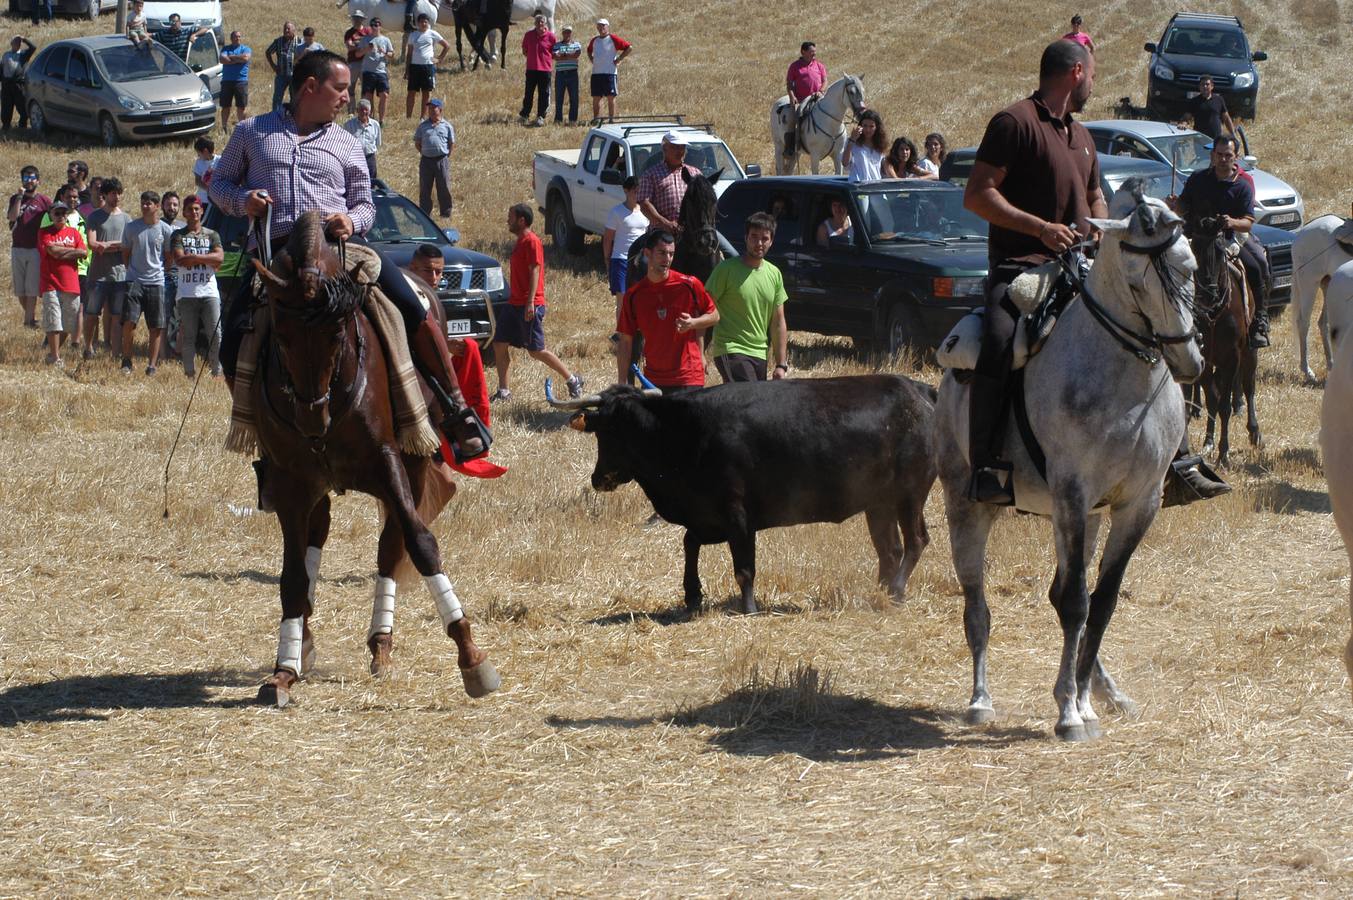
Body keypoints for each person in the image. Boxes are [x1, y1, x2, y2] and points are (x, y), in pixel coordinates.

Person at [209, 50, 487, 459]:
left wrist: (351, 221)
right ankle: (265, 438)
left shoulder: (348, 142)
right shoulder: (251, 132)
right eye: (340, 88)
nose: (346, 97)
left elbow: (366, 204)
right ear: (309, 87)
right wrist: (242, 200)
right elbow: (219, 185)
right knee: (231, 342)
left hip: (341, 249)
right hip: (278, 252)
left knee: (413, 308)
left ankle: (456, 411)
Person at [1170, 134, 1269, 348]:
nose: (1223, 159)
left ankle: (1259, 321)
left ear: (1236, 157)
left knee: (1256, 264)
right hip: (1195, 238)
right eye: (1219, 154)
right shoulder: (1198, 179)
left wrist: (1231, 222)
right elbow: (1182, 207)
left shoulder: (1242, 184)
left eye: (1228, 155)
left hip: (1228, 240)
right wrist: (1173, 204)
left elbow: (1248, 222)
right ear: (1213, 155)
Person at [492, 203, 583, 401]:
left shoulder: (531, 241)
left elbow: (536, 270)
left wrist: (531, 301)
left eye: (511, 216)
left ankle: (572, 379)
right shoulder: (520, 242)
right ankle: (504, 391)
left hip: (528, 304)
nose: (508, 220)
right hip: (513, 303)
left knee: (536, 351)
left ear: (521, 220)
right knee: (499, 343)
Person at [615, 231, 718, 391]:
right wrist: (622, 381)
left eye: (671, 254)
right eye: (662, 253)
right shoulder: (634, 295)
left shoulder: (689, 285)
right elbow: (625, 342)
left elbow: (714, 315)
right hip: (653, 379)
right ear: (647, 253)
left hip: (688, 377)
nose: (667, 259)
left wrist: (693, 323)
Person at [406, 242, 491, 427]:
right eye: (428, 271)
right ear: (412, 268)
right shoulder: (403, 298)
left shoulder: (434, 298)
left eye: (439, 272)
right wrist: (445, 345)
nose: (435, 278)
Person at [707, 212, 788, 383]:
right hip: (731, 350)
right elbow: (704, 309)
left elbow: (778, 322)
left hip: (759, 353)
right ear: (746, 237)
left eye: (764, 238)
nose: (759, 243)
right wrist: (699, 352)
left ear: (771, 241)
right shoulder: (725, 270)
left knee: (749, 407)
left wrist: (781, 365)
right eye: (754, 237)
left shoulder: (774, 274)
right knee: (748, 402)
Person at [119, 191, 176, 375]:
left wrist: (159, 272)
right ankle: (126, 360)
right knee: (129, 322)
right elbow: (126, 253)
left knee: (156, 326)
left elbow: (168, 258)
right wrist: (132, 271)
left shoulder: (165, 230)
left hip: (156, 282)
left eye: (149, 203)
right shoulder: (131, 227)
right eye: (143, 203)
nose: (145, 206)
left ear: (157, 206)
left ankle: (152, 365)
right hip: (134, 280)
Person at [169, 194, 224, 378]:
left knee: (215, 334)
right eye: (190, 209)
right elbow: (179, 259)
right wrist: (208, 259)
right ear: (184, 212)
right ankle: (189, 373)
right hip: (186, 293)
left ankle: (216, 371)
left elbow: (220, 258)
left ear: (201, 211)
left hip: (209, 292)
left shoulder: (212, 234)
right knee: (188, 336)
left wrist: (193, 258)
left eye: (197, 209)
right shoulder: (178, 235)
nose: (194, 212)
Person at [82, 177, 130, 358]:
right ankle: (88, 347)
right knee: (92, 314)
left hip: (120, 275)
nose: (116, 197)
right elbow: (93, 244)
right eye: (112, 193)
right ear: (105, 195)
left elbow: (127, 245)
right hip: (98, 275)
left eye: (118, 193)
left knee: (117, 317)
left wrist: (107, 245)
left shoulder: (126, 219)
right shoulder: (94, 217)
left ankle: (116, 353)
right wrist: (116, 245)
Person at [37, 201, 86, 368]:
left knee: (69, 324)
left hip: (71, 284)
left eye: (63, 213)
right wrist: (71, 253)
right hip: (50, 283)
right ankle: (56, 357)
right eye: (57, 213)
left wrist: (61, 252)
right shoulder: (44, 232)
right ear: (50, 215)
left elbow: (83, 252)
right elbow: (52, 252)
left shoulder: (74, 232)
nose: (60, 217)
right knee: (54, 321)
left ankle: (52, 352)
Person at [7, 165, 50, 329]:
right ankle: (30, 315)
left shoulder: (44, 201)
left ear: (38, 181)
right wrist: (19, 197)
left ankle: (28, 322)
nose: (29, 181)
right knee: (20, 290)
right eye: (26, 178)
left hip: (35, 249)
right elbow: (12, 216)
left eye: (32, 178)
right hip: (17, 247)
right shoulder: (15, 198)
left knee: (32, 287)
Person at [637, 131, 701, 235]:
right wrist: (665, 224)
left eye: (682, 147)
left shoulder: (695, 173)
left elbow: (704, 201)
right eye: (676, 147)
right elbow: (644, 204)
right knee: (636, 250)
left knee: (729, 251)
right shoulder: (651, 174)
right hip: (661, 232)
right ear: (664, 149)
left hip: (693, 231)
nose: (680, 151)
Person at [782, 40, 827, 155]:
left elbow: (825, 81)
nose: (814, 54)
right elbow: (789, 84)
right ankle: (790, 147)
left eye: (815, 52)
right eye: (811, 52)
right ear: (803, 52)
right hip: (801, 100)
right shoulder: (794, 66)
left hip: (817, 98)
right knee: (792, 119)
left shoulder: (819, 65)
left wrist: (821, 91)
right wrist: (792, 97)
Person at [413, 98, 454, 217]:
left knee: (444, 187)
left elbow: (451, 144)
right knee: (425, 188)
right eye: (429, 108)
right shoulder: (422, 126)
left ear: (440, 109)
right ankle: (425, 213)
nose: (430, 110)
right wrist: (425, 152)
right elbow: (417, 143)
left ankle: (446, 213)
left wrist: (445, 155)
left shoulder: (447, 126)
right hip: (426, 161)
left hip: (441, 160)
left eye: (433, 108)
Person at [587, 18, 631, 121]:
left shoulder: (613, 38)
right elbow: (589, 51)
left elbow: (629, 47)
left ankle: (612, 119)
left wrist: (619, 59)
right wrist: (591, 59)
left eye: (603, 25)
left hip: (610, 73)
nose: (601, 28)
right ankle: (597, 119)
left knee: (611, 97)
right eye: (599, 26)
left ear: (607, 26)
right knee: (596, 97)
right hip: (596, 73)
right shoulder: (594, 40)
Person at [404, 14, 448, 119]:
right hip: (414, 67)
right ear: (417, 23)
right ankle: (408, 117)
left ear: (428, 23)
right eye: (421, 22)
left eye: (425, 22)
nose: (423, 24)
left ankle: (422, 117)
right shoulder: (413, 35)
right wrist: (407, 70)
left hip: (427, 67)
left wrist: (439, 59)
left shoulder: (433, 34)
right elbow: (409, 54)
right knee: (411, 93)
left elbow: (447, 46)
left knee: (426, 93)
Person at [159, 191, 184, 361]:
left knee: (183, 317)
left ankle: (178, 351)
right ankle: (162, 354)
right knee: (164, 317)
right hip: (164, 275)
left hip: (182, 275)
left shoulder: (183, 226)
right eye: (169, 204)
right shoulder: (157, 225)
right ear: (162, 206)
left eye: (175, 205)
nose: (172, 208)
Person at [519, 15, 554, 127]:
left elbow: (553, 52)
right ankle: (525, 115)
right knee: (528, 92)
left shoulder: (551, 37)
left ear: (545, 23)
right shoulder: (528, 35)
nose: (540, 24)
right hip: (531, 69)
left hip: (545, 69)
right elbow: (525, 50)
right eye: (538, 22)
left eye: (542, 22)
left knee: (544, 94)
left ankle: (540, 116)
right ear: (535, 23)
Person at [358, 17, 395, 121]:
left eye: (377, 25)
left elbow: (392, 55)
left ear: (380, 26)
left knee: (384, 95)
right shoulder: (365, 39)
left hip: (381, 71)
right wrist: (366, 49)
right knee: (368, 97)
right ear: (370, 26)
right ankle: (370, 119)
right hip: (368, 71)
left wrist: (384, 52)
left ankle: (381, 120)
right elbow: (357, 54)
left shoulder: (386, 40)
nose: (375, 27)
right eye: (373, 25)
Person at [2, 36, 37, 131]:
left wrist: (24, 39)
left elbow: (33, 47)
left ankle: (22, 126)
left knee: (22, 107)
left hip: (18, 86)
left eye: (19, 42)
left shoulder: (24, 54)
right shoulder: (5, 55)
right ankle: (6, 126)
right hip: (6, 86)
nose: (17, 44)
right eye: (15, 42)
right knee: (6, 107)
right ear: (11, 43)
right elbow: (1, 69)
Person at [219, 31, 252, 132]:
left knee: (241, 106)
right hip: (227, 81)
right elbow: (222, 60)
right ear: (231, 38)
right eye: (235, 36)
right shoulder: (225, 49)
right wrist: (238, 59)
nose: (238, 38)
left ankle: (242, 128)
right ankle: (224, 127)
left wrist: (231, 58)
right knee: (225, 106)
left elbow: (246, 58)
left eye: (239, 36)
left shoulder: (246, 49)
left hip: (241, 81)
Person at [842, 110, 887, 182]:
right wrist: (852, 140)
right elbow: (845, 163)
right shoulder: (852, 142)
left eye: (871, 126)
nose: (868, 130)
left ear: (877, 127)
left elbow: (885, 168)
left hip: (875, 186)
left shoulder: (880, 144)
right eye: (865, 126)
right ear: (860, 126)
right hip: (857, 186)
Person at [265, 22, 301, 112]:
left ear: (294, 30)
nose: (286, 30)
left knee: (295, 97)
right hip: (281, 74)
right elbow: (268, 52)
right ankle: (275, 117)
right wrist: (273, 66)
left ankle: (294, 117)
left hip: (295, 75)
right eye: (285, 28)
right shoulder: (278, 41)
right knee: (277, 97)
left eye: (288, 29)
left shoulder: (300, 42)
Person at [345, 98, 383, 180]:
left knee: (372, 182)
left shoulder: (375, 125)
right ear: (357, 111)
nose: (363, 112)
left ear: (370, 111)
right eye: (361, 109)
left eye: (366, 110)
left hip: (370, 158)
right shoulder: (349, 125)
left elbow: (377, 143)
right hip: (354, 158)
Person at [343, 10, 372, 114]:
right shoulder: (349, 32)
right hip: (353, 62)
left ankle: (363, 110)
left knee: (365, 88)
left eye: (359, 18)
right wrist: (362, 46)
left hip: (366, 63)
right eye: (355, 18)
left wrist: (357, 45)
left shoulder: (368, 31)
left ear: (362, 20)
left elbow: (371, 44)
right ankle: (351, 110)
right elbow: (349, 46)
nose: (357, 20)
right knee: (351, 87)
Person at [1190, 75, 1236, 141]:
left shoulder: (1219, 100)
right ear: (1199, 87)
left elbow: (1226, 118)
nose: (1205, 86)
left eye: (1207, 84)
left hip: (1216, 139)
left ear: (1212, 86)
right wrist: (1183, 123)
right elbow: (1187, 117)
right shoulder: (1194, 101)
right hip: (1199, 139)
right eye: (1202, 84)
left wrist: (1233, 134)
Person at [552, 25, 581, 125]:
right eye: (565, 32)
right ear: (562, 33)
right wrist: (569, 55)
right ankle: (558, 120)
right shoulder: (556, 45)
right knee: (559, 97)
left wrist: (563, 55)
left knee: (574, 97)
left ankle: (572, 120)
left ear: (571, 33)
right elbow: (556, 57)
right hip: (560, 74)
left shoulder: (577, 44)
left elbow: (576, 54)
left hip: (572, 73)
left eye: (569, 32)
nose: (567, 34)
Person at [193, 137, 218, 204]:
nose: (198, 155)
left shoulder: (220, 161)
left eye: (198, 153)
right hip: (204, 199)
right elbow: (197, 181)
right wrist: (209, 190)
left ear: (205, 151)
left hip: (218, 199)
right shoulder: (199, 163)